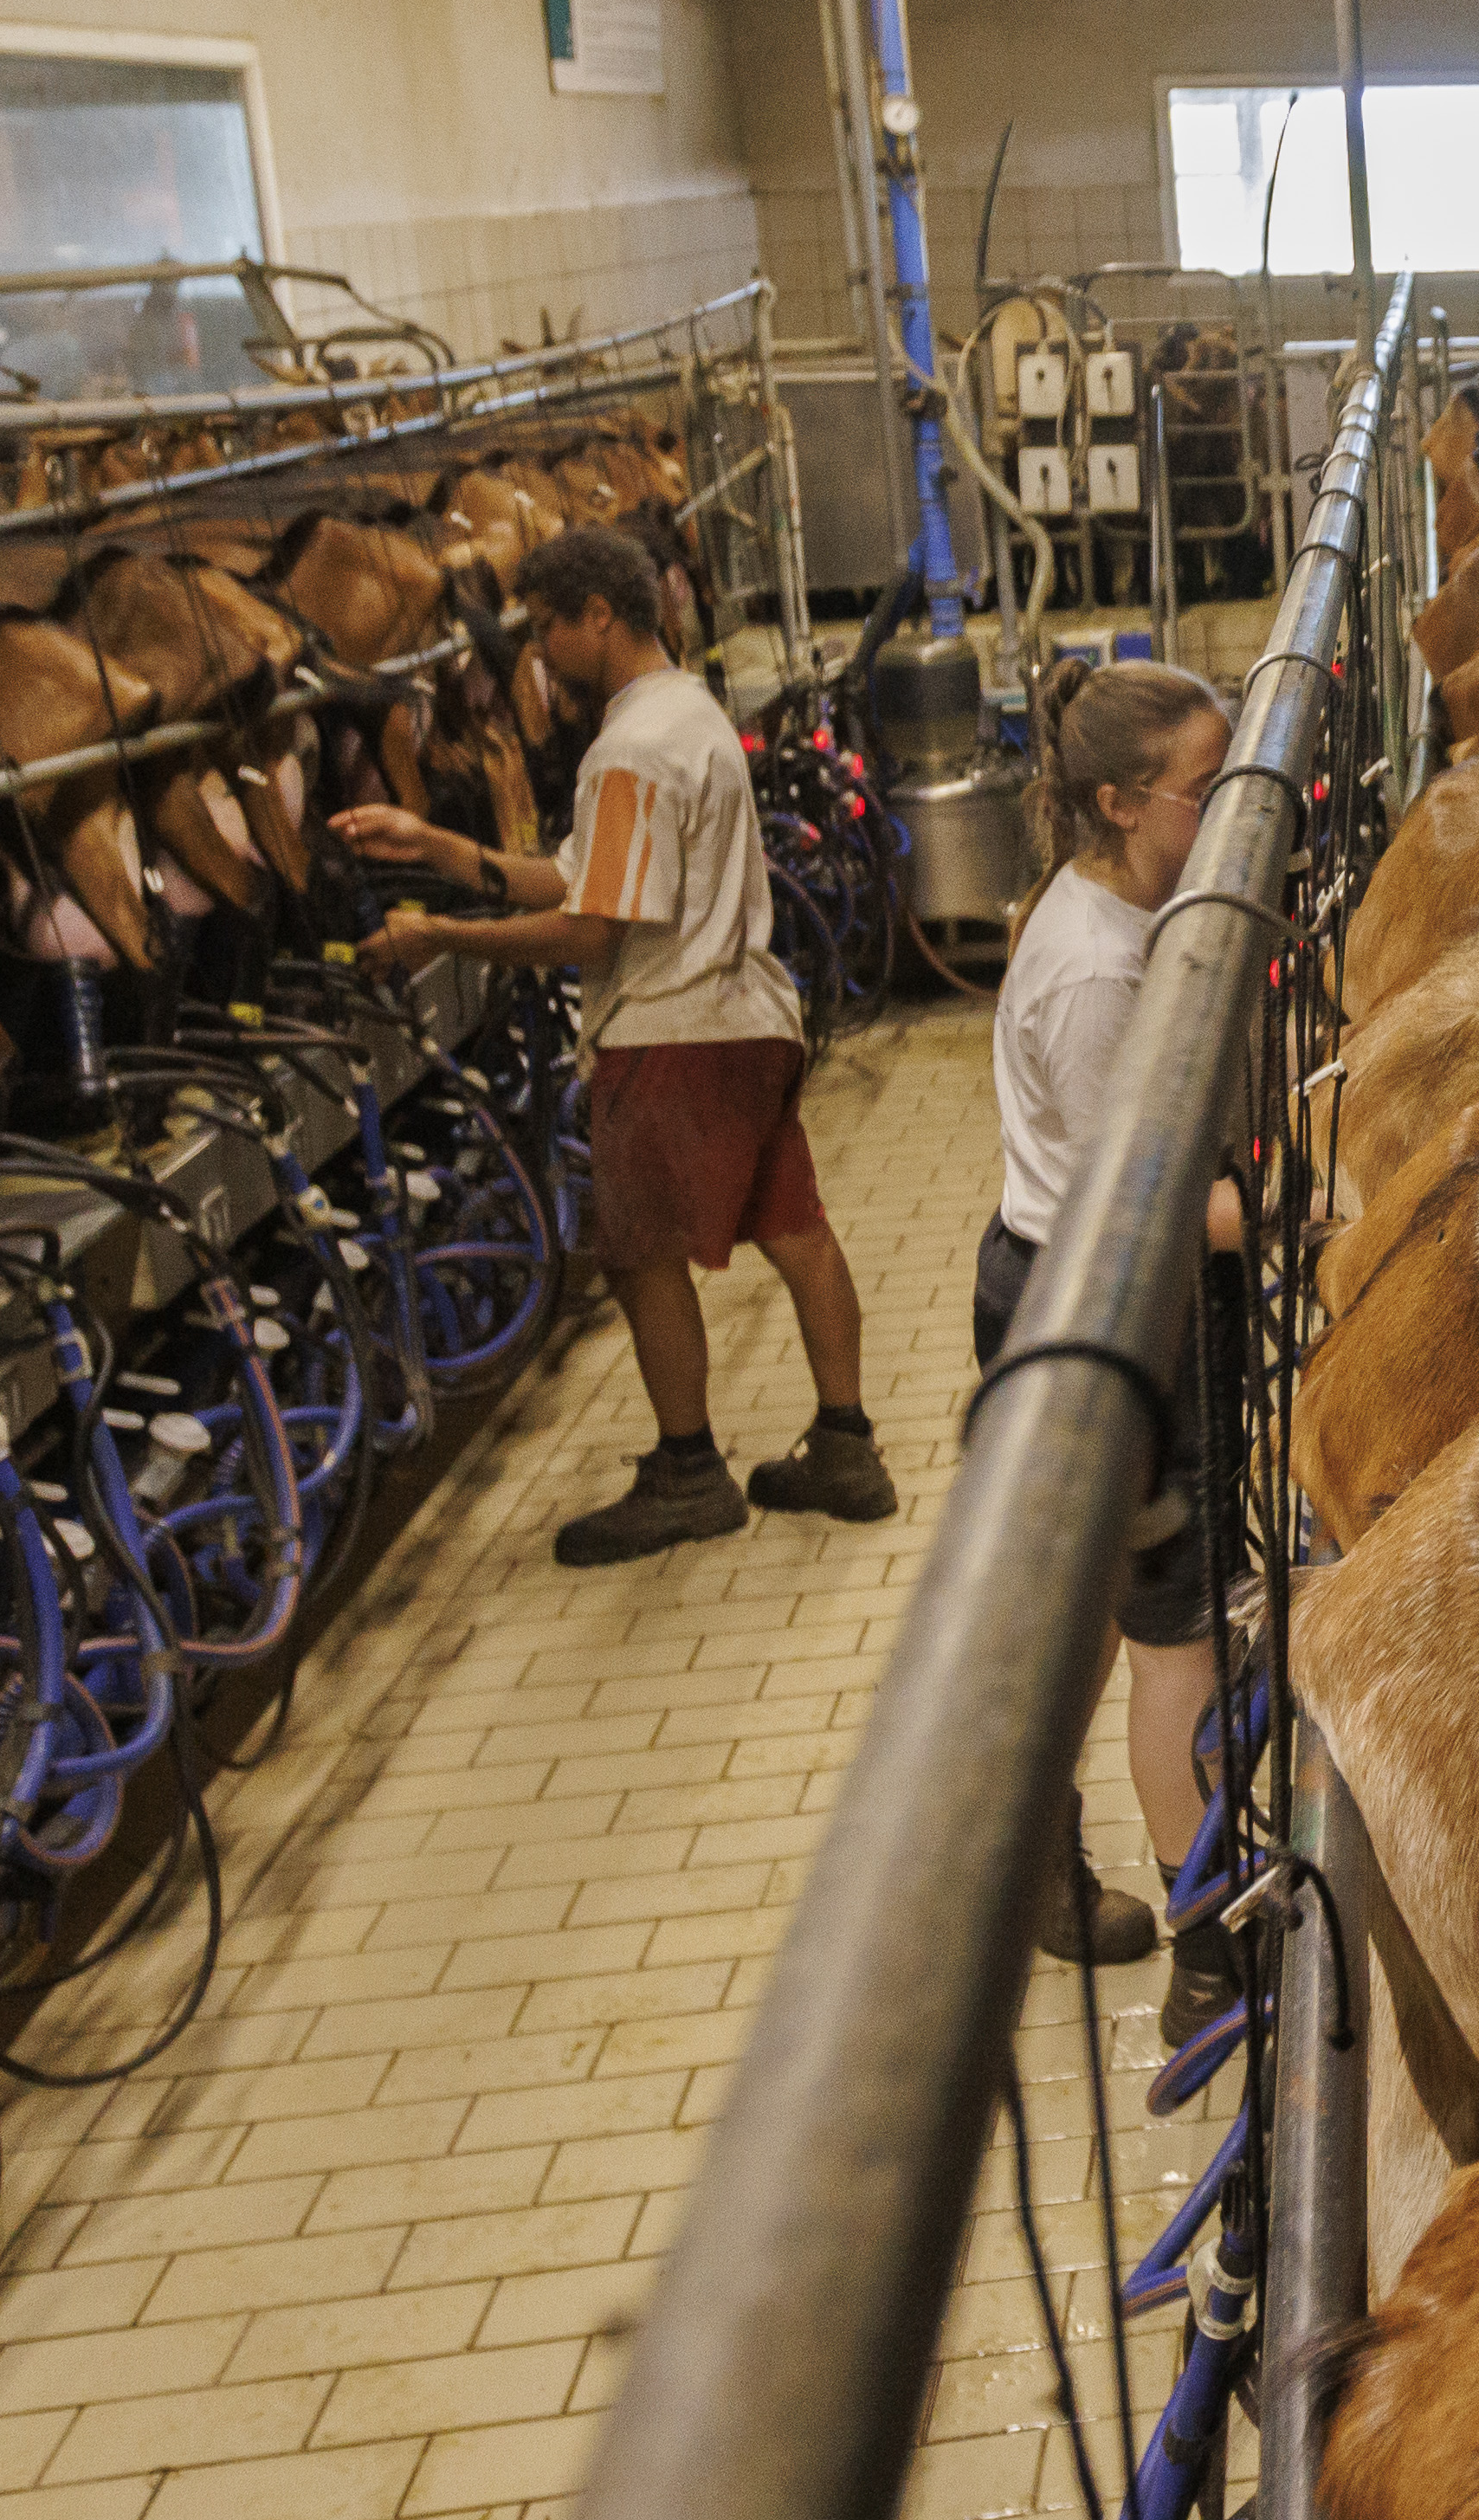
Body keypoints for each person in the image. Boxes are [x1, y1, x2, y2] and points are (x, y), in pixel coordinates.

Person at [328, 529, 895, 1567]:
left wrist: (436, 935)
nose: (537, 654)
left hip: (671, 1029)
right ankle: (846, 1447)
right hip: (745, 1016)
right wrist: (447, 853)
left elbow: (595, 930)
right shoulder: (685, 714)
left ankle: (689, 1474)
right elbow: (589, 875)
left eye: (546, 628)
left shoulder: (630, 746)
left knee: (639, 1260)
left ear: (599, 614)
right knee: (797, 1228)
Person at [974, 653, 1269, 1974]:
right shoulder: (1096, 970)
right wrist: (1332, 1216)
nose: (1235, 810)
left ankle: (1034, 1854)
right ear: (1119, 801)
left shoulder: (1131, 913)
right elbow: (1145, 1201)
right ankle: (1209, 1956)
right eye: (1210, 790)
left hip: (1088, 1292)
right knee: (1177, 1639)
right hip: (1102, 1305)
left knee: (1105, 1607)